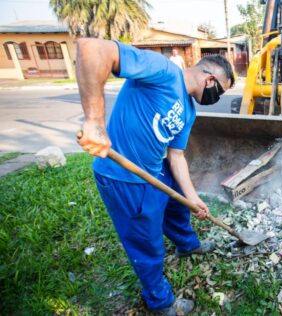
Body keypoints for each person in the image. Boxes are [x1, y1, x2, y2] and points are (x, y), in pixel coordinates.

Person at [76, 38, 234, 315]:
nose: (217, 99)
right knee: (146, 243)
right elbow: (92, 48)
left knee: (178, 207)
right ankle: (159, 301)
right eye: (220, 92)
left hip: (155, 168)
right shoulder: (162, 71)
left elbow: (176, 156)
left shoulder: (189, 110)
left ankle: (187, 245)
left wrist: (193, 197)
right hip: (123, 176)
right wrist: (94, 121)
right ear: (210, 80)